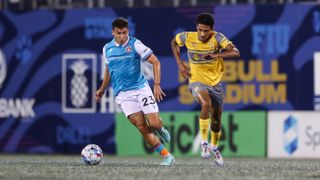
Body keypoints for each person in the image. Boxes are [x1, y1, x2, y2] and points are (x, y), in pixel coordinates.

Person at [95, 17, 175, 166]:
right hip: (123, 95)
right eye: (118, 33)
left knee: (153, 124)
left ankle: (160, 127)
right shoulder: (107, 48)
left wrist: (156, 84)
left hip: (141, 90)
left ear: (128, 31)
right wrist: (101, 89)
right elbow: (109, 71)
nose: (121, 36)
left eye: (124, 33)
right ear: (113, 32)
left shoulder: (135, 44)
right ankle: (167, 156)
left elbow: (156, 62)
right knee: (142, 127)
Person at [171, 13, 240, 167]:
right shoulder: (187, 37)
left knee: (216, 121)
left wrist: (216, 55)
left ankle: (214, 146)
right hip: (196, 80)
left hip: (215, 83)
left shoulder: (218, 38)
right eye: (200, 30)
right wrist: (181, 64)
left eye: (206, 31)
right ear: (197, 27)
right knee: (206, 104)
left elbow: (235, 51)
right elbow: (174, 43)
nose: (202, 34)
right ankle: (204, 143)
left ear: (212, 30)